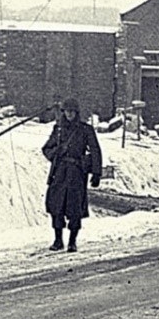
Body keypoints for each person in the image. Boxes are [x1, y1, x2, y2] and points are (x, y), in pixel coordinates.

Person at [42, 98, 103, 252]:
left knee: (75, 208)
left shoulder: (85, 130)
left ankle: (72, 241)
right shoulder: (59, 129)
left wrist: (96, 173)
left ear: (77, 113)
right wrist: (57, 152)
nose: (69, 114)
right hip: (60, 172)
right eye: (67, 111)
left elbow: (95, 151)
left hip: (76, 173)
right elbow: (46, 148)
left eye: (72, 112)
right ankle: (57, 240)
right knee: (56, 206)